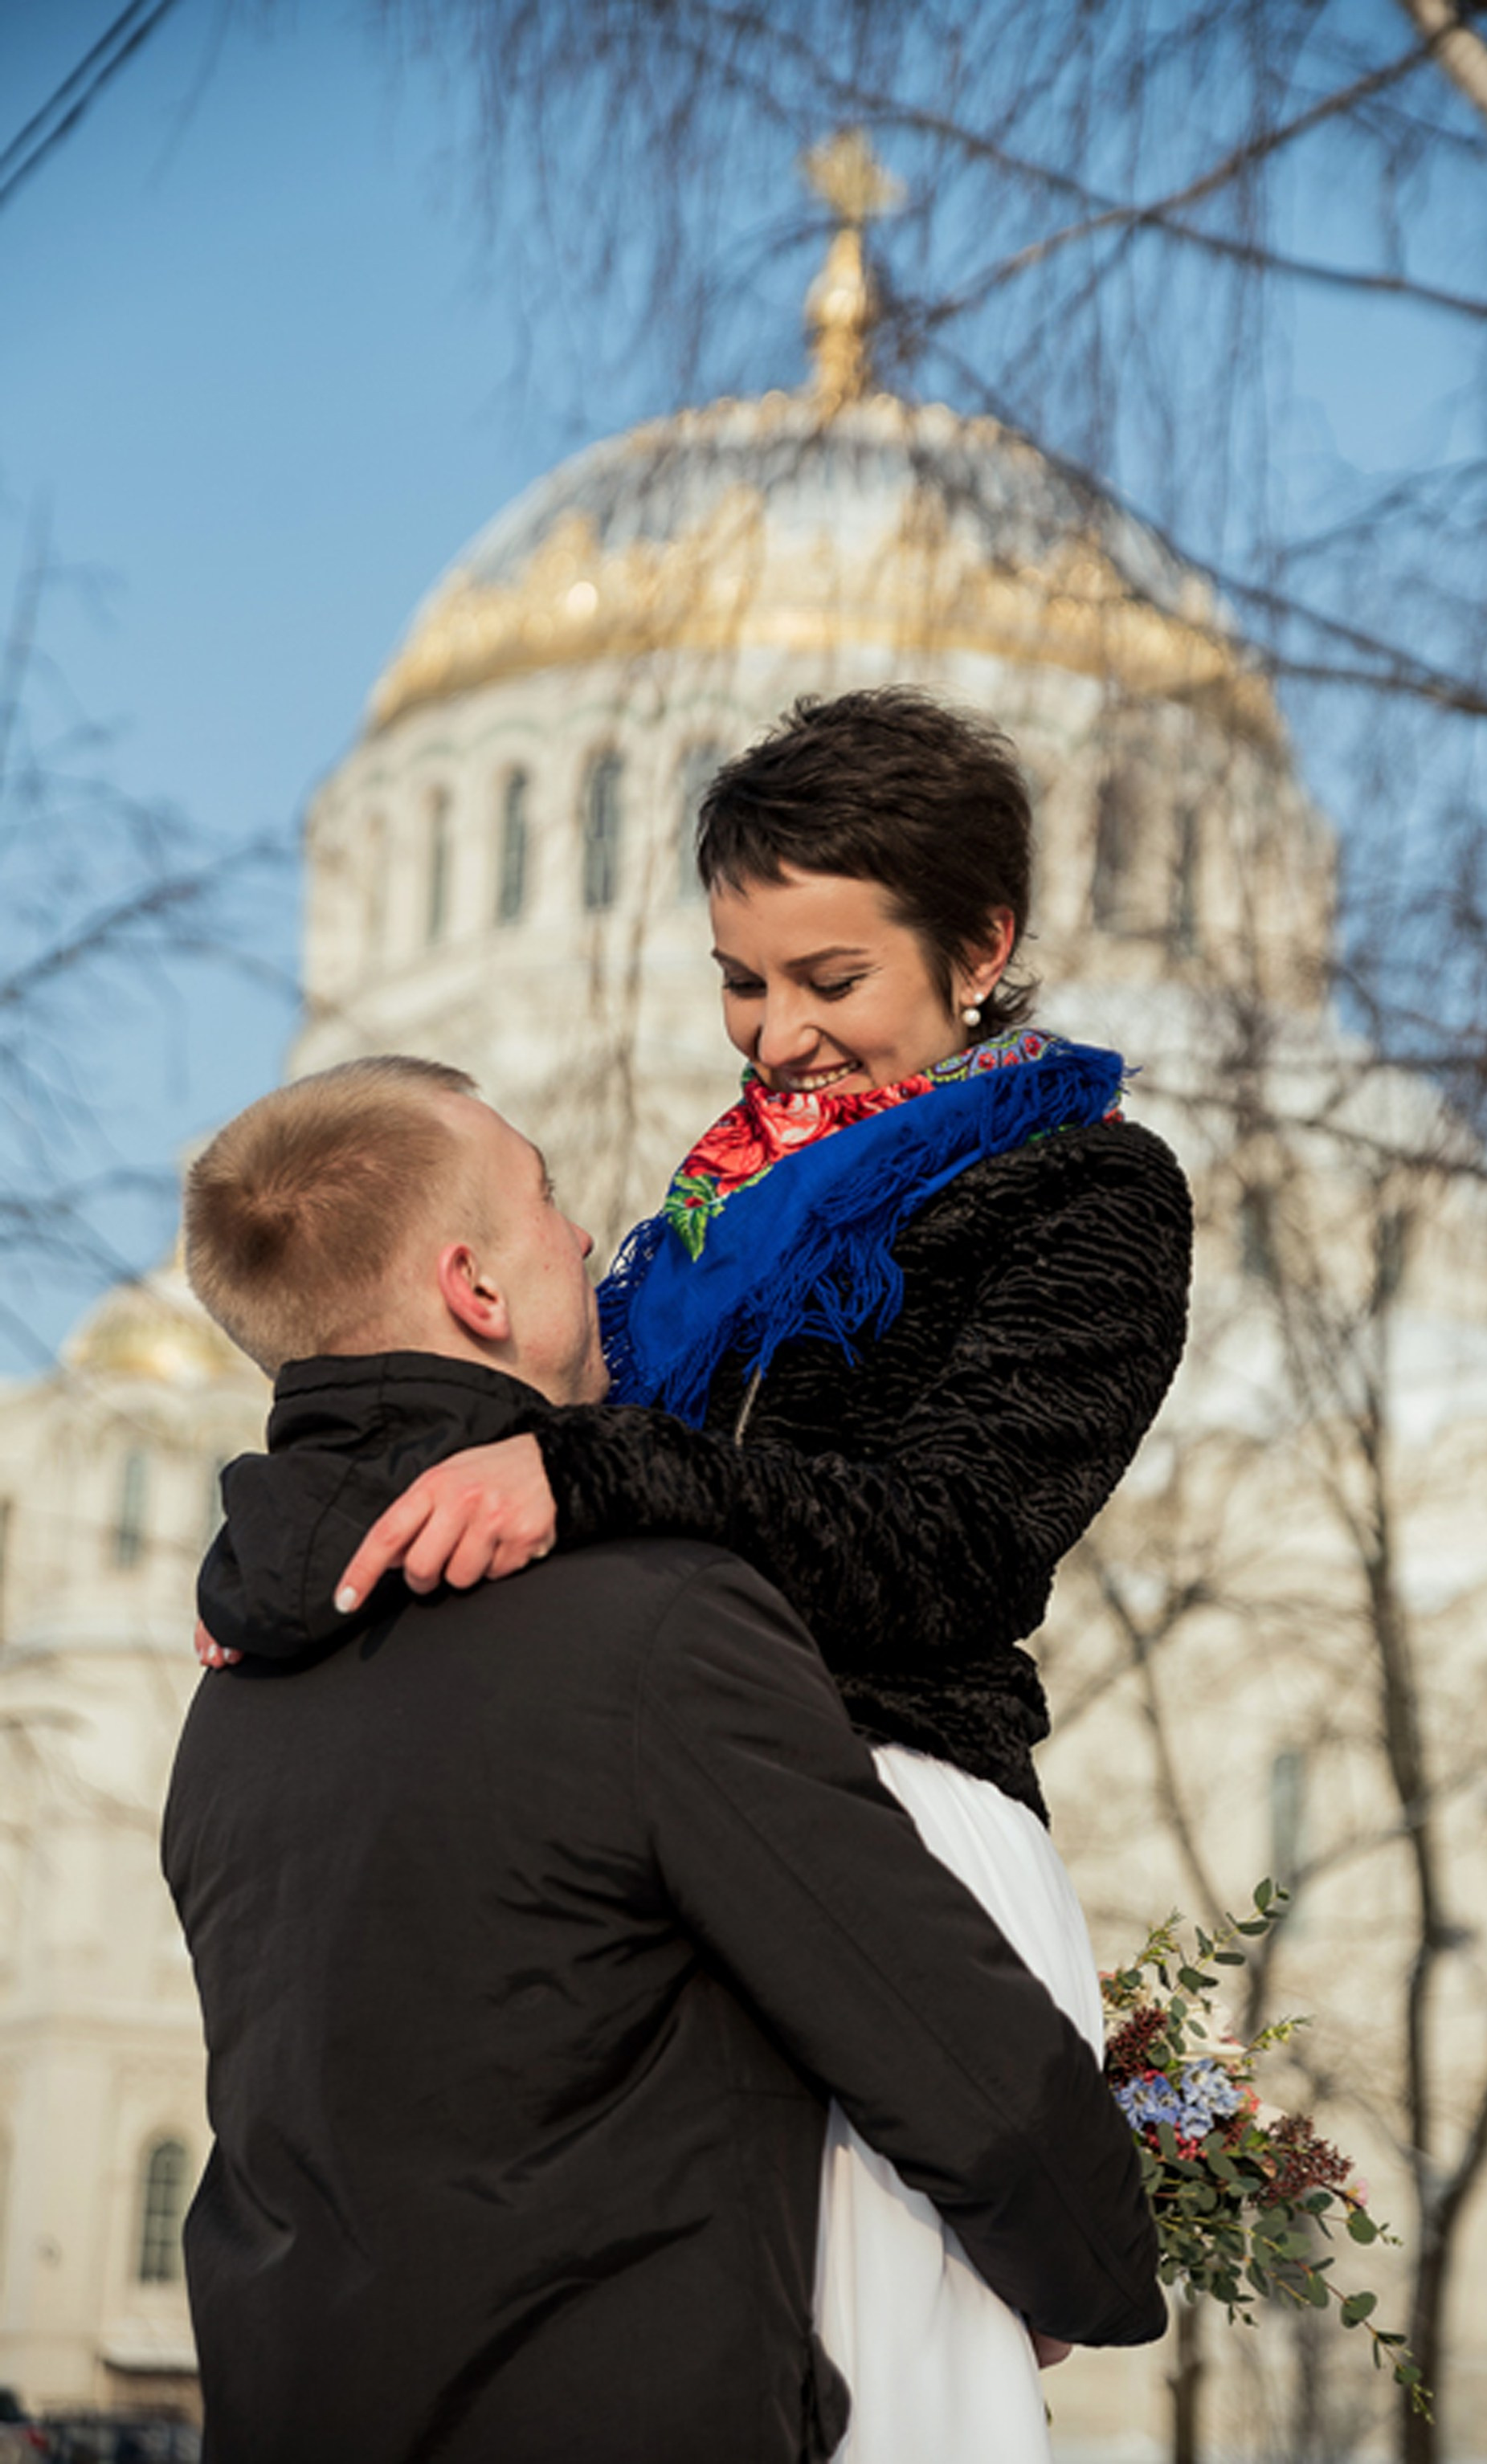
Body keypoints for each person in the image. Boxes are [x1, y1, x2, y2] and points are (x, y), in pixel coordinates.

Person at [197, 689, 1194, 2462]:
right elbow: (481, 1470)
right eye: (743, 980)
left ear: (980, 949)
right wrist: (302, 1571)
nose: (778, 1034)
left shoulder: (1080, 1193)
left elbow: (959, 1542)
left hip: (888, 1817)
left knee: (877, 2385)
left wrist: (598, 1473)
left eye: (832, 978)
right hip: (651, 1809)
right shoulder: (702, 1224)